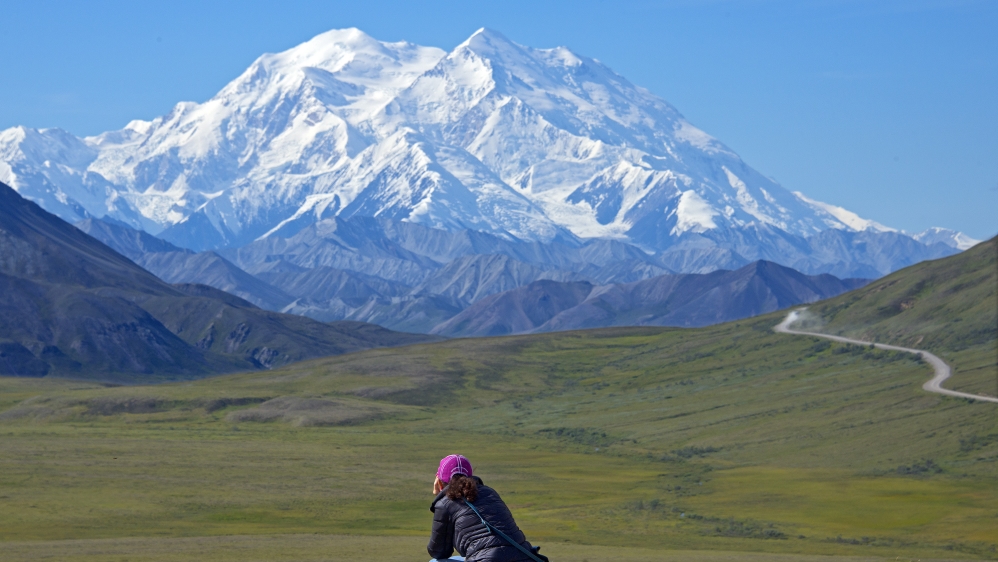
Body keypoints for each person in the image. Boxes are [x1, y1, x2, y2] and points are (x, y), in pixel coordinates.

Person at [428, 454, 547, 562]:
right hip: (525, 557)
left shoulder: (445, 503)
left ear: (439, 482)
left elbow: (439, 551)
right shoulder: (490, 492)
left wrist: (439, 497)